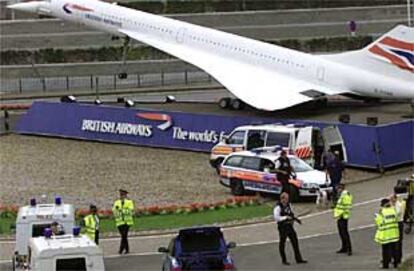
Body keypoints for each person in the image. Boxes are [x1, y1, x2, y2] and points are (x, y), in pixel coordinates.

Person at [273, 192, 307, 266]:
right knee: (282, 242)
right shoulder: (278, 207)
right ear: (282, 199)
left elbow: (291, 214)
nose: (287, 200)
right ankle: (284, 260)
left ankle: (298, 258)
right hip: (282, 227)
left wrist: (296, 219)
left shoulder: (289, 205)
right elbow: (276, 218)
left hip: (289, 226)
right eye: (286, 199)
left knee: (295, 241)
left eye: (288, 199)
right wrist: (285, 217)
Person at [375, 198, 399, 269]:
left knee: (385, 251)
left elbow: (379, 223)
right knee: (394, 250)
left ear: (382, 205)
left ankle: (386, 265)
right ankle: (395, 263)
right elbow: (396, 219)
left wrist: (377, 217)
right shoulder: (393, 210)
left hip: (385, 235)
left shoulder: (381, 212)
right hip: (394, 234)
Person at [112, 189, 134, 254]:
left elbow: (130, 210)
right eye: (121, 195)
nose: (122, 196)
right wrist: (123, 210)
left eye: (123, 195)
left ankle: (121, 249)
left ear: (125, 195)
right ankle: (126, 249)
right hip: (119, 222)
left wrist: (121, 210)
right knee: (124, 236)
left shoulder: (129, 202)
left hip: (127, 222)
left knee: (124, 235)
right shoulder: (116, 202)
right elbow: (114, 210)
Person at [334, 183, 353, 256]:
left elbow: (347, 206)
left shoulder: (345, 196)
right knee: (341, 233)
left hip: (343, 217)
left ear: (341, 188)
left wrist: (342, 214)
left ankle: (349, 249)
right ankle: (344, 247)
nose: (337, 191)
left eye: (338, 189)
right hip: (340, 216)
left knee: (345, 233)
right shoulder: (342, 195)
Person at [390, 193, 406, 266]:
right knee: (394, 242)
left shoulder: (398, 205)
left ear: (395, 199)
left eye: (392, 199)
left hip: (398, 223)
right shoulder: (393, 205)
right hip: (395, 224)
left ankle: (398, 258)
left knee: (398, 242)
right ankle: (394, 257)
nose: (390, 200)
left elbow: (396, 214)